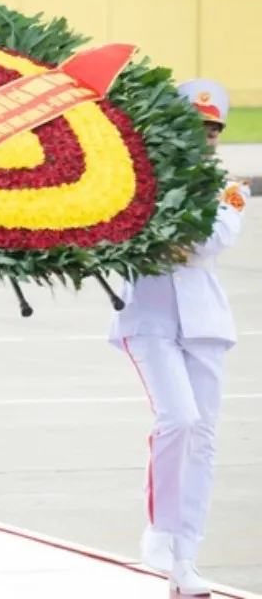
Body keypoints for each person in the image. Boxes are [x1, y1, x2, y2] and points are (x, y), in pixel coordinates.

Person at [110, 78, 248, 597]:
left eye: (213, 130)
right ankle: (160, 531)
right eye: (196, 126)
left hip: (206, 322)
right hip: (149, 315)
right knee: (179, 418)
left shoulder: (231, 187)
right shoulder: (139, 176)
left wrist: (164, 227)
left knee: (205, 438)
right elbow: (123, 229)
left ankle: (185, 558)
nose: (205, 137)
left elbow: (213, 240)